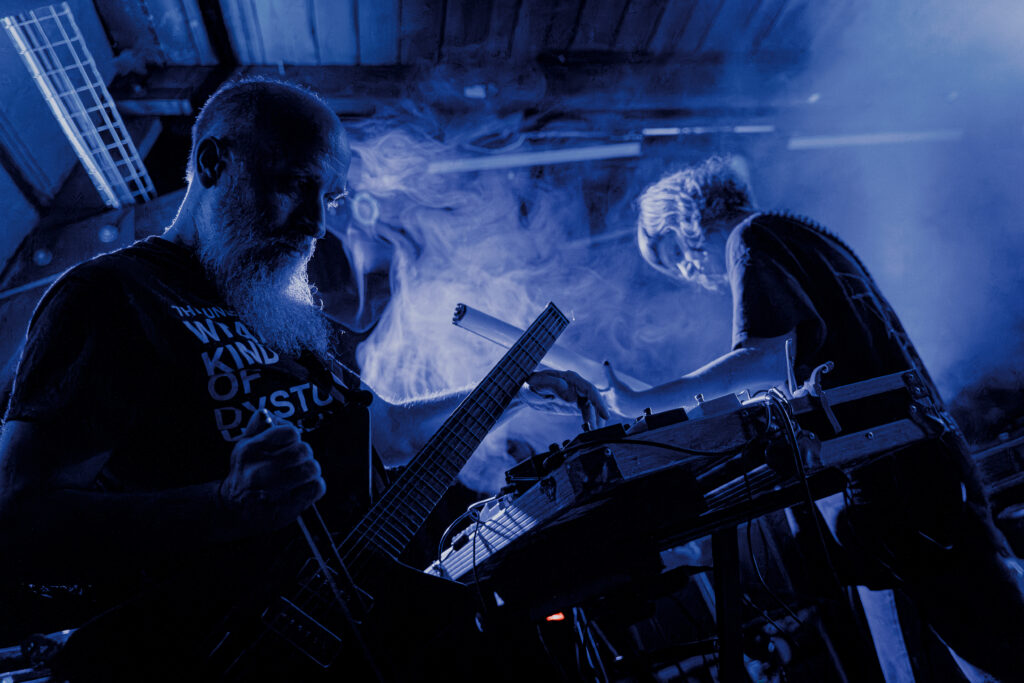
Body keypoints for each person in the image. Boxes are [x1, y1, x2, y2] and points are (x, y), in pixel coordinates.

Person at [0, 78, 604, 681]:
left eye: (330, 198)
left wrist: (510, 391)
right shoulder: (112, 295)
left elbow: (389, 433)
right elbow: (21, 521)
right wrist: (225, 506)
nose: (316, 224)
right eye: (293, 184)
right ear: (213, 163)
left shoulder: (277, 315)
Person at [602, 156, 1024, 680]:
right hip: (924, 459)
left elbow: (763, 356)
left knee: (987, 648)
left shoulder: (751, 239)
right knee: (987, 625)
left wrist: (645, 400)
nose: (689, 273)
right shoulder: (805, 234)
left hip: (894, 476)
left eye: (676, 257)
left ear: (686, 218)